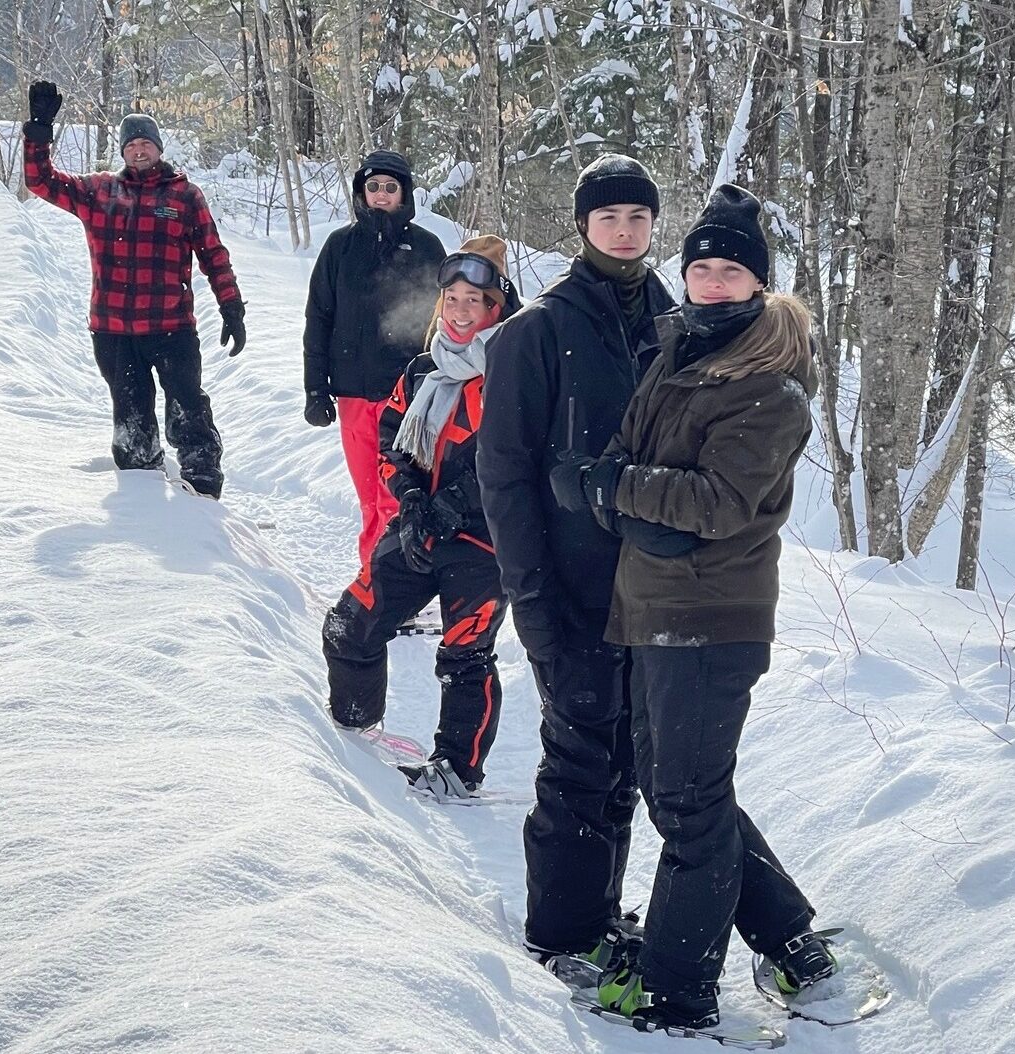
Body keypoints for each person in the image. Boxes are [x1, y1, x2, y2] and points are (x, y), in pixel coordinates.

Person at [549, 184, 831, 1031]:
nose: (711, 282)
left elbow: (713, 505)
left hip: (712, 619)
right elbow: (637, 464)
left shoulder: (768, 388)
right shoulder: (677, 352)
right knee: (686, 792)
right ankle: (788, 937)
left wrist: (611, 490)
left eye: (730, 271)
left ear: (759, 284)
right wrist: (621, 491)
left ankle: (678, 992)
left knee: (686, 804)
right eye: (700, 267)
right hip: (654, 604)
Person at [476, 155, 676, 966]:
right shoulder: (537, 332)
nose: (624, 232)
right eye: (608, 219)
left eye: (637, 218)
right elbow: (505, 475)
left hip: (659, 591)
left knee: (626, 760)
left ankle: (600, 916)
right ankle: (560, 933)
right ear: (582, 227)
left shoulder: (675, 323)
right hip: (571, 588)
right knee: (578, 760)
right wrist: (533, 601)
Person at [322, 237, 518, 800]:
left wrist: (455, 505)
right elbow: (392, 442)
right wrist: (409, 500)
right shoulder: (420, 371)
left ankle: (458, 769)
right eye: (451, 298)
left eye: (473, 301)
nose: (460, 311)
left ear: (493, 310)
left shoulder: (512, 371)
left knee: (465, 655)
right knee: (348, 626)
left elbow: (517, 457)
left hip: (482, 542)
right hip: (417, 530)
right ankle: (354, 732)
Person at [22, 81, 244, 499]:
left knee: (187, 406)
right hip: (114, 331)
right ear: (123, 152)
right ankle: (141, 497)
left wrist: (231, 306)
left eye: (146, 143)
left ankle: (202, 485)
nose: (139, 151)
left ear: (159, 149)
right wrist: (38, 131)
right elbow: (42, 182)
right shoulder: (99, 192)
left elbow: (213, 255)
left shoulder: (184, 195)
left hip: (171, 327)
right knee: (131, 416)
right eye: (131, 145)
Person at [303, 150, 447, 567]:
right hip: (353, 396)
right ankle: (375, 578)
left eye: (390, 187)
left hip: (409, 400)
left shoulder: (426, 247)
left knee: (402, 495)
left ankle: (406, 584)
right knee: (370, 497)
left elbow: (446, 319)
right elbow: (319, 318)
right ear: (361, 194)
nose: (381, 195)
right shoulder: (339, 248)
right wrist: (315, 389)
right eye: (373, 187)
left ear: (404, 193)